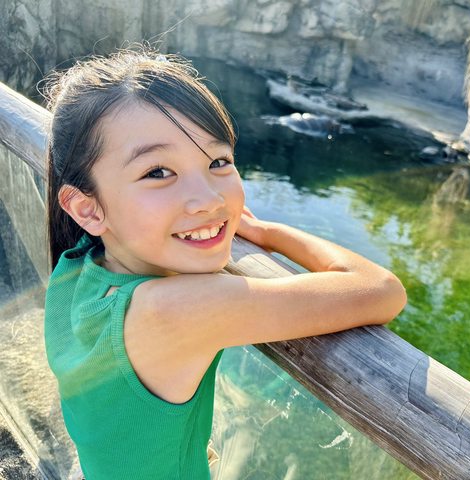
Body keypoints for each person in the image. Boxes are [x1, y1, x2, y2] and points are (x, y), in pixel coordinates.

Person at [43, 45, 407, 480]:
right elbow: (381, 290)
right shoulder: (174, 310)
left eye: (218, 161)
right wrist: (269, 233)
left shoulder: (76, 265)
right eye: (157, 172)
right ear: (86, 208)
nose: (209, 199)